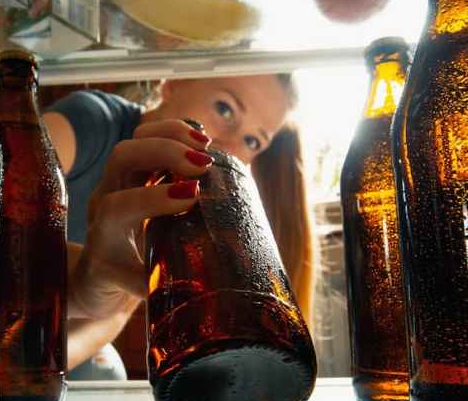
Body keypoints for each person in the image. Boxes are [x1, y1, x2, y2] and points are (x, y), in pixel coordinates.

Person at [46, 75, 316, 380]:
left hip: (50, 354)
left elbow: (116, 312)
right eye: (224, 109)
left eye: (252, 141)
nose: (227, 147)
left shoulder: (185, 209)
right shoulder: (92, 120)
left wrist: (37, 369)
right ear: (172, 83)